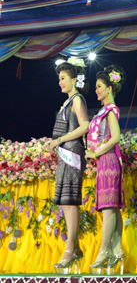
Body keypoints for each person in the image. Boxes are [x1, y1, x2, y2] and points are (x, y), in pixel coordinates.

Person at [46, 57, 90, 273]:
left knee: (70, 201)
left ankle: (70, 248)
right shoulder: (68, 101)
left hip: (72, 152)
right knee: (65, 202)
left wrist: (60, 140)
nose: (60, 82)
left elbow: (85, 126)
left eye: (63, 78)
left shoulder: (77, 100)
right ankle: (75, 247)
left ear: (74, 79)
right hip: (66, 153)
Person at [87, 66, 126, 274]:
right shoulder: (103, 111)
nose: (96, 90)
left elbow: (116, 137)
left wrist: (96, 152)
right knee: (111, 207)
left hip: (109, 161)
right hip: (103, 160)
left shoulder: (111, 110)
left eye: (99, 87)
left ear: (110, 88)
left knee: (109, 207)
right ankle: (118, 249)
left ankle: (103, 251)